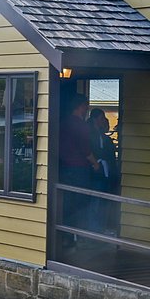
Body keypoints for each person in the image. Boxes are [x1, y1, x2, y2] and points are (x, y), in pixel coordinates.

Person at [59, 94, 98, 242]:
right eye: (86, 105)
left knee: (67, 202)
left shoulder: (63, 123)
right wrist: (95, 164)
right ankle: (82, 238)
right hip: (79, 169)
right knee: (81, 203)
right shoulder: (81, 125)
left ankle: (67, 237)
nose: (87, 108)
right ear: (81, 106)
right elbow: (86, 150)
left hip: (64, 167)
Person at [88, 108, 119, 234]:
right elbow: (91, 150)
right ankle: (94, 228)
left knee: (103, 201)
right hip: (96, 171)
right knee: (95, 201)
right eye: (101, 119)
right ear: (95, 119)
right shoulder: (90, 133)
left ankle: (100, 227)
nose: (103, 121)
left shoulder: (102, 135)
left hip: (104, 171)